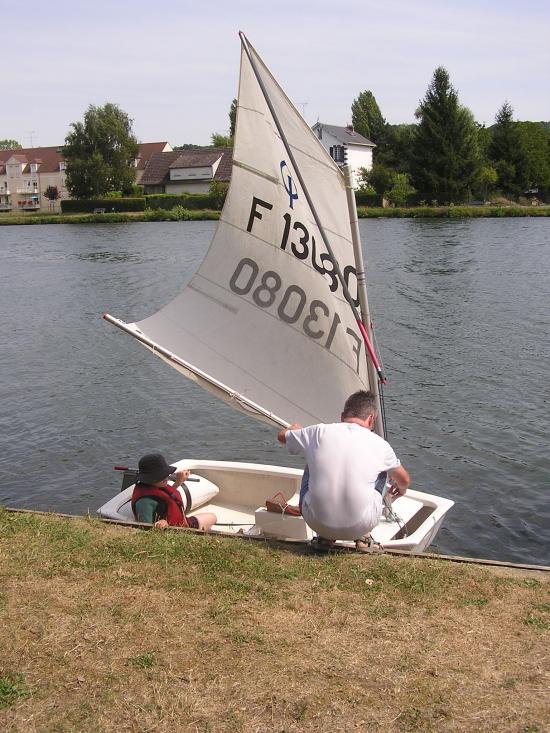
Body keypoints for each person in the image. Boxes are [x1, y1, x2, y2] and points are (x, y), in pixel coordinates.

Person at [277, 390, 410, 551]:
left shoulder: (318, 432)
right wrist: (401, 489)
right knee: (384, 470)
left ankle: (325, 538)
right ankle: (363, 537)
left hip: (316, 522)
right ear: (370, 419)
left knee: (310, 462)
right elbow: (404, 480)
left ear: (342, 416)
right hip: (359, 526)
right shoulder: (381, 445)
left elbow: (282, 437)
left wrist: (294, 429)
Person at [131, 453, 217, 531]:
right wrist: (162, 523)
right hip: (178, 530)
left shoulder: (154, 486)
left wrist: (178, 482)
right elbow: (144, 530)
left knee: (212, 517)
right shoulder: (144, 502)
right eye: (161, 475)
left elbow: (166, 498)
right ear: (150, 478)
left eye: (166, 474)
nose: (167, 477)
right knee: (213, 518)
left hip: (181, 523)